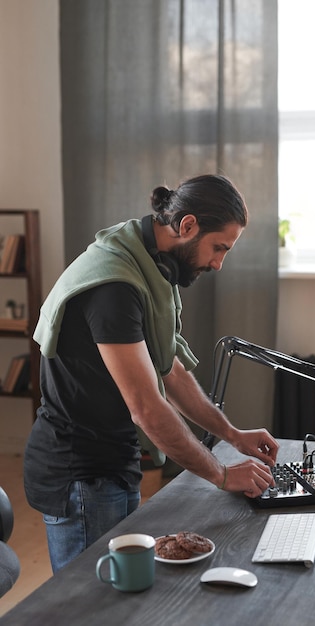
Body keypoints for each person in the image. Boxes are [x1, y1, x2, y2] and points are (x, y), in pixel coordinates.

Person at [24, 174, 279, 573]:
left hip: (114, 459)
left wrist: (232, 435)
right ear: (188, 225)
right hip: (81, 472)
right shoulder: (115, 286)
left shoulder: (151, 265)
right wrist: (222, 474)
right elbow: (146, 406)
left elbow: (170, 371)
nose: (218, 263)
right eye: (218, 248)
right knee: (89, 607)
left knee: (122, 598)